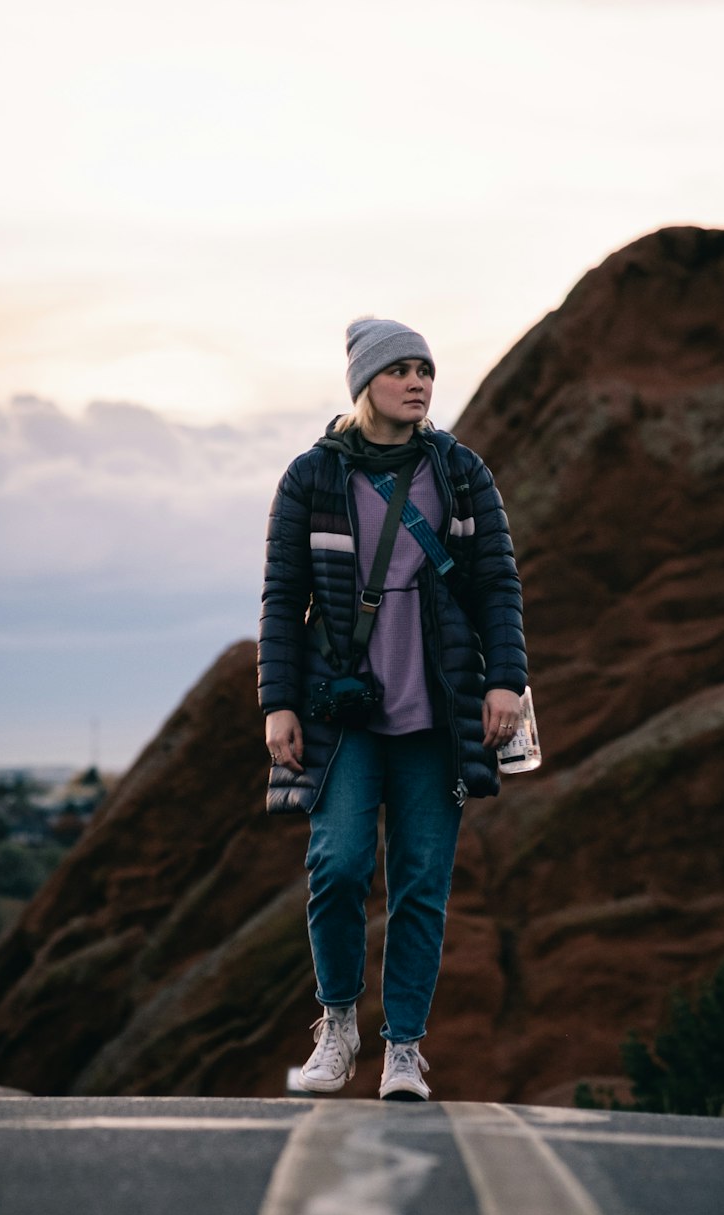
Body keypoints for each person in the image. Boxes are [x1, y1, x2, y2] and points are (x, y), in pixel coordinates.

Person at [258, 317, 527, 1101]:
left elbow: (497, 586)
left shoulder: (461, 472)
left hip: (437, 718)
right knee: (337, 867)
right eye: (401, 370)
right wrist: (277, 703)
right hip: (344, 717)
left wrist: (505, 681)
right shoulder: (312, 477)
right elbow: (284, 599)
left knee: (420, 885)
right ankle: (338, 1025)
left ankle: (403, 1049)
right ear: (364, 383)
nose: (419, 382)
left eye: (426, 370)